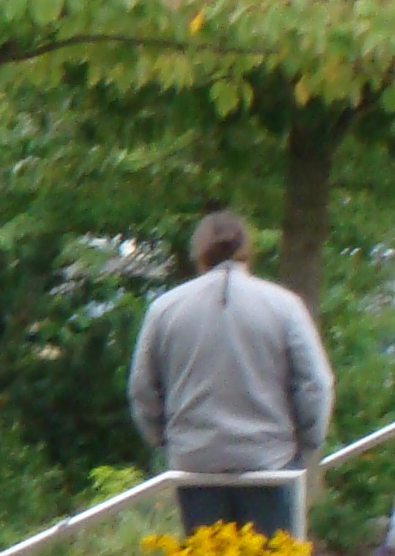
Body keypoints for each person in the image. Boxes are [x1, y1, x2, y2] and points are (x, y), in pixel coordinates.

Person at [129, 210, 334, 535]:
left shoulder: (165, 309)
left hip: (195, 465)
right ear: (247, 250)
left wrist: (164, 439)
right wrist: (308, 443)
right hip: (270, 464)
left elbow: (142, 388)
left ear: (199, 253)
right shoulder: (284, 305)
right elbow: (315, 384)